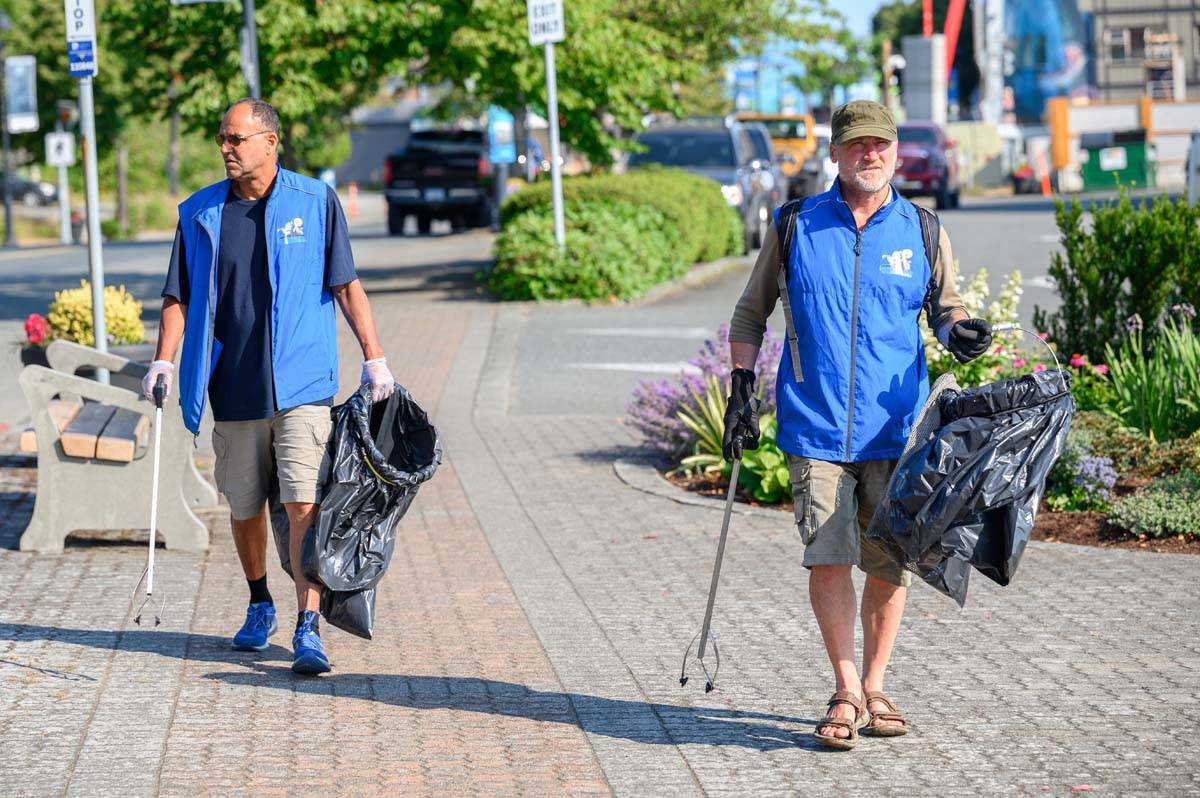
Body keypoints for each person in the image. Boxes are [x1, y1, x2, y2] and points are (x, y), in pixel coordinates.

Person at [725, 100, 992, 749]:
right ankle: (845, 688)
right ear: (837, 155)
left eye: (880, 145)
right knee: (829, 556)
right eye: (856, 146)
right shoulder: (796, 226)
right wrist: (740, 390)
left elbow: (945, 306)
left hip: (898, 429)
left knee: (890, 563)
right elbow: (749, 316)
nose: (868, 155)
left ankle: (877, 684)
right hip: (814, 425)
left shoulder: (922, 229)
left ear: (895, 152)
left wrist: (960, 332)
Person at [143, 98, 395, 675]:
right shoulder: (199, 213)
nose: (226, 148)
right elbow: (177, 296)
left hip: (302, 383)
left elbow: (346, 284)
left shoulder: (315, 201)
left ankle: (308, 624)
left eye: (236, 138)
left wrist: (374, 358)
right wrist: (164, 361)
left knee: (302, 500)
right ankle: (260, 603)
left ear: (270, 141)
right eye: (222, 139)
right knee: (245, 504)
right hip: (231, 382)